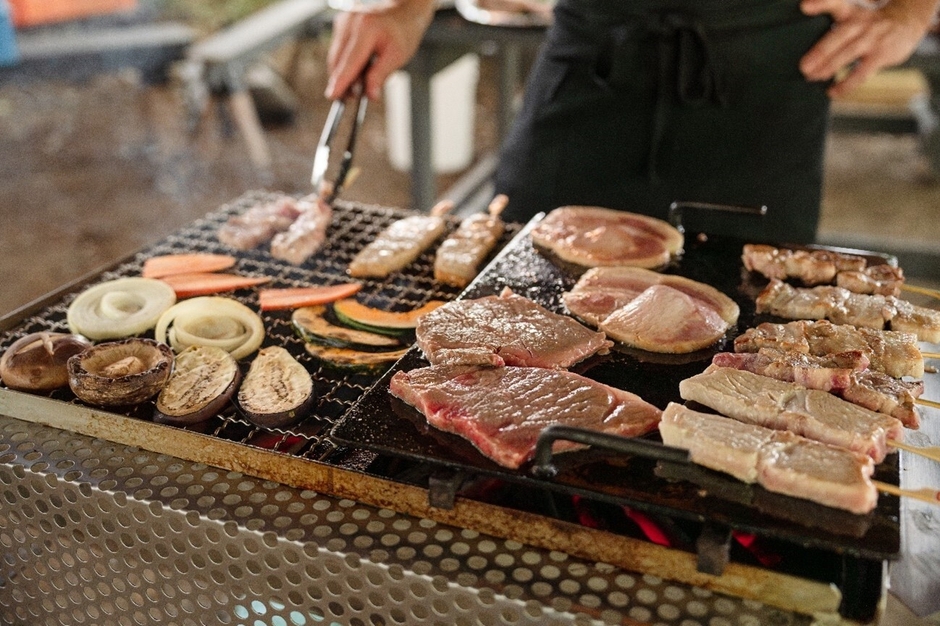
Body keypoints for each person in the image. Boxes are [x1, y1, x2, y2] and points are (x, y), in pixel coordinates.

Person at [325, 0, 939, 243]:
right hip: (594, 54)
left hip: (765, 73)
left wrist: (912, 9)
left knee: (751, 328)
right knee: (519, 282)